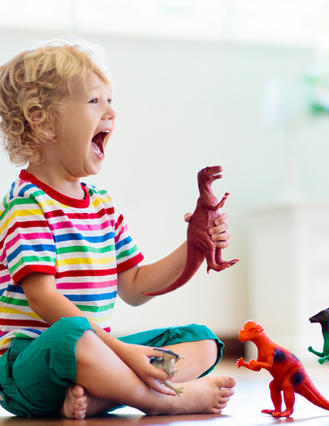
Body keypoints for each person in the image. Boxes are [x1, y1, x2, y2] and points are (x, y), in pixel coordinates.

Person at [0, 38, 236, 419]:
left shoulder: (101, 204)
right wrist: (123, 351)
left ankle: (101, 396)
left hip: (98, 354)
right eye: (95, 101)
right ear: (42, 121)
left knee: (202, 341)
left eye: (111, 101)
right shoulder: (26, 204)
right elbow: (44, 300)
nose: (111, 112)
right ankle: (169, 398)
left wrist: (193, 246)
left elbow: (135, 287)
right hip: (31, 366)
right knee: (72, 338)